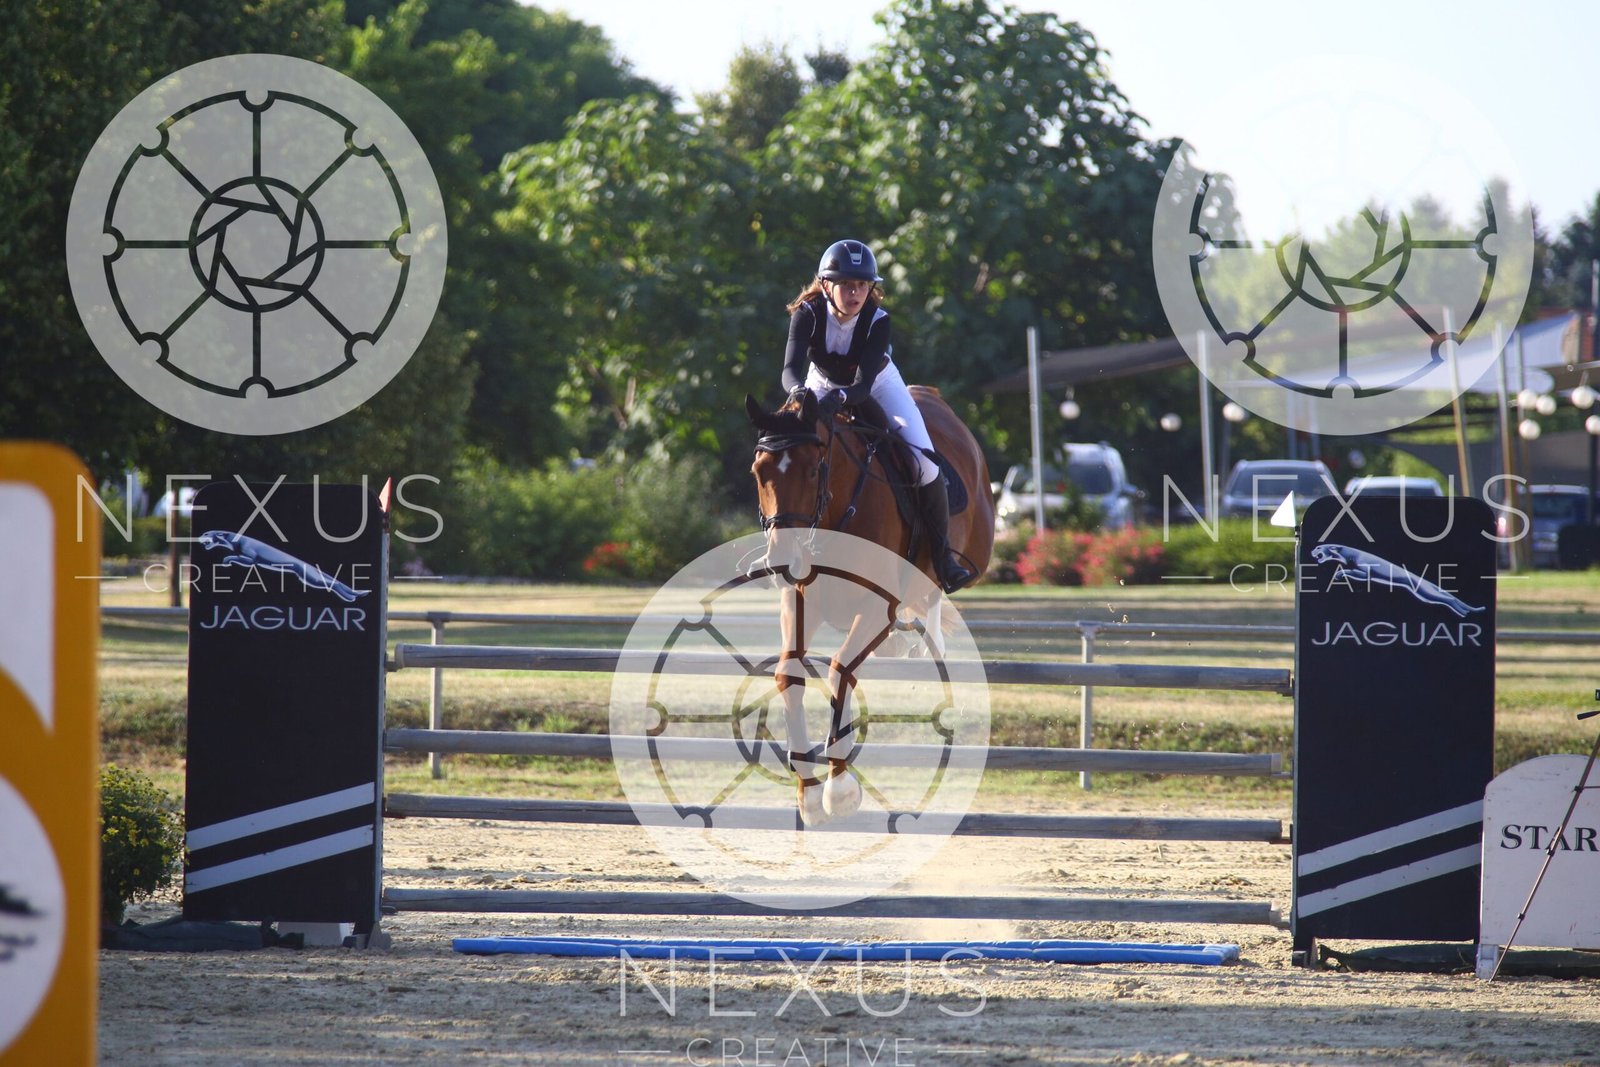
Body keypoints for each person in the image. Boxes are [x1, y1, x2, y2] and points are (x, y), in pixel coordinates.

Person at [780, 238, 975, 592]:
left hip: (877, 385)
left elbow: (861, 386)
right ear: (826, 284)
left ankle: (943, 557)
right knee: (789, 452)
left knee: (924, 462)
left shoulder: (877, 320)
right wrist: (798, 394)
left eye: (862, 284)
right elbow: (790, 371)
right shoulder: (807, 313)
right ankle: (780, 545)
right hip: (819, 384)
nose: (855, 293)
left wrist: (840, 397)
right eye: (846, 284)